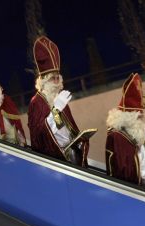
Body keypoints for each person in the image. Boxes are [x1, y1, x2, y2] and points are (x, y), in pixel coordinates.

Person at [27, 36, 89, 167]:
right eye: (52, 78)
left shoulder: (59, 97)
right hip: (55, 158)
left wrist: (77, 140)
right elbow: (39, 136)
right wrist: (56, 109)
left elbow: (67, 126)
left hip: (71, 153)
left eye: (57, 78)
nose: (56, 82)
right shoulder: (36, 102)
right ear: (44, 80)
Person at [105, 73, 145, 186]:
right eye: (139, 117)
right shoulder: (117, 136)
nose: (141, 121)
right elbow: (124, 169)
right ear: (129, 117)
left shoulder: (133, 134)